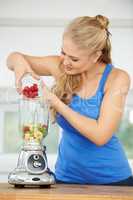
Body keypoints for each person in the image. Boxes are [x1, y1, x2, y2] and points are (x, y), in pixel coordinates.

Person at [7, 15, 133, 186]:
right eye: (63, 52)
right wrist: (19, 66)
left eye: (74, 59)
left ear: (96, 56)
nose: (65, 62)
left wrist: (56, 102)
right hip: (67, 178)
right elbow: (14, 58)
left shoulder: (117, 78)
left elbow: (100, 135)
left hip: (113, 180)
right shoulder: (60, 67)